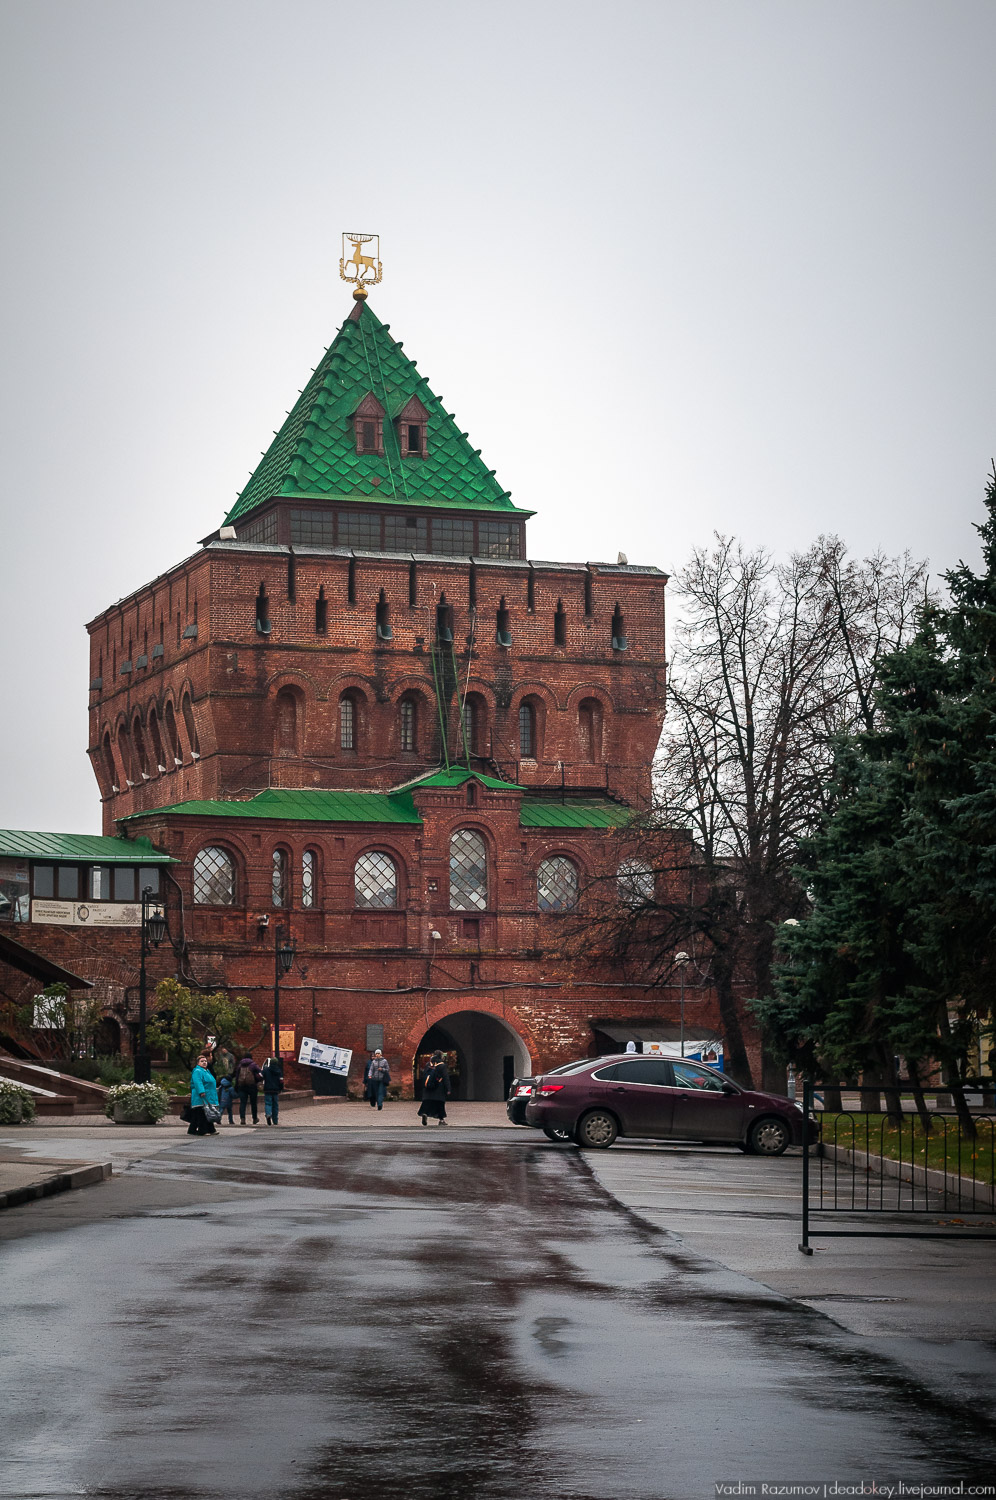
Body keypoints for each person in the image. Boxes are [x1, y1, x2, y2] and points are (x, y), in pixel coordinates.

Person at [188, 1053, 220, 1136]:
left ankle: (197, 1130)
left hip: (208, 1096)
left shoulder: (206, 1071)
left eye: (205, 1061)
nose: (204, 1062)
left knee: (206, 1113)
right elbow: (198, 1082)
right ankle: (203, 1130)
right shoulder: (198, 1071)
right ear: (198, 1063)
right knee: (203, 1114)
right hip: (201, 1097)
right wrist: (201, 1091)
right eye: (202, 1061)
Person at [418, 1049, 450, 1126]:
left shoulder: (428, 1064)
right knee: (440, 1104)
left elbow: (424, 1075)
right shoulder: (442, 1065)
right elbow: (445, 1077)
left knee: (427, 1102)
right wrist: (448, 1088)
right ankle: (441, 1120)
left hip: (428, 1088)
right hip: (439, 1088)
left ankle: (424, 1113)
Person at [234, 1051, 262, 1125]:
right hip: (252, 1086)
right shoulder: (253, 1065)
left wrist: (236, 1086)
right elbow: (260, 1074)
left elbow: (237, 1077)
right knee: (253, 1103)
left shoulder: (240, 1065)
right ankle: (254, 1118)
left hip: (242, 1086)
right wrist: (258, 1080)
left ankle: (242, 1118)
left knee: (243, 1103)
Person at [261, 1055, 284, 1126]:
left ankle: (268, 1114)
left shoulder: (266, 1070)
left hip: (267, 1089)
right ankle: (275, 1120)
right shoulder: (279, 1071)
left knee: (268, 1103)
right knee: (275, 1105)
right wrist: (281, 1088)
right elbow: (281, 1081)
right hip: (276, 1090)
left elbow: (260, 1076)